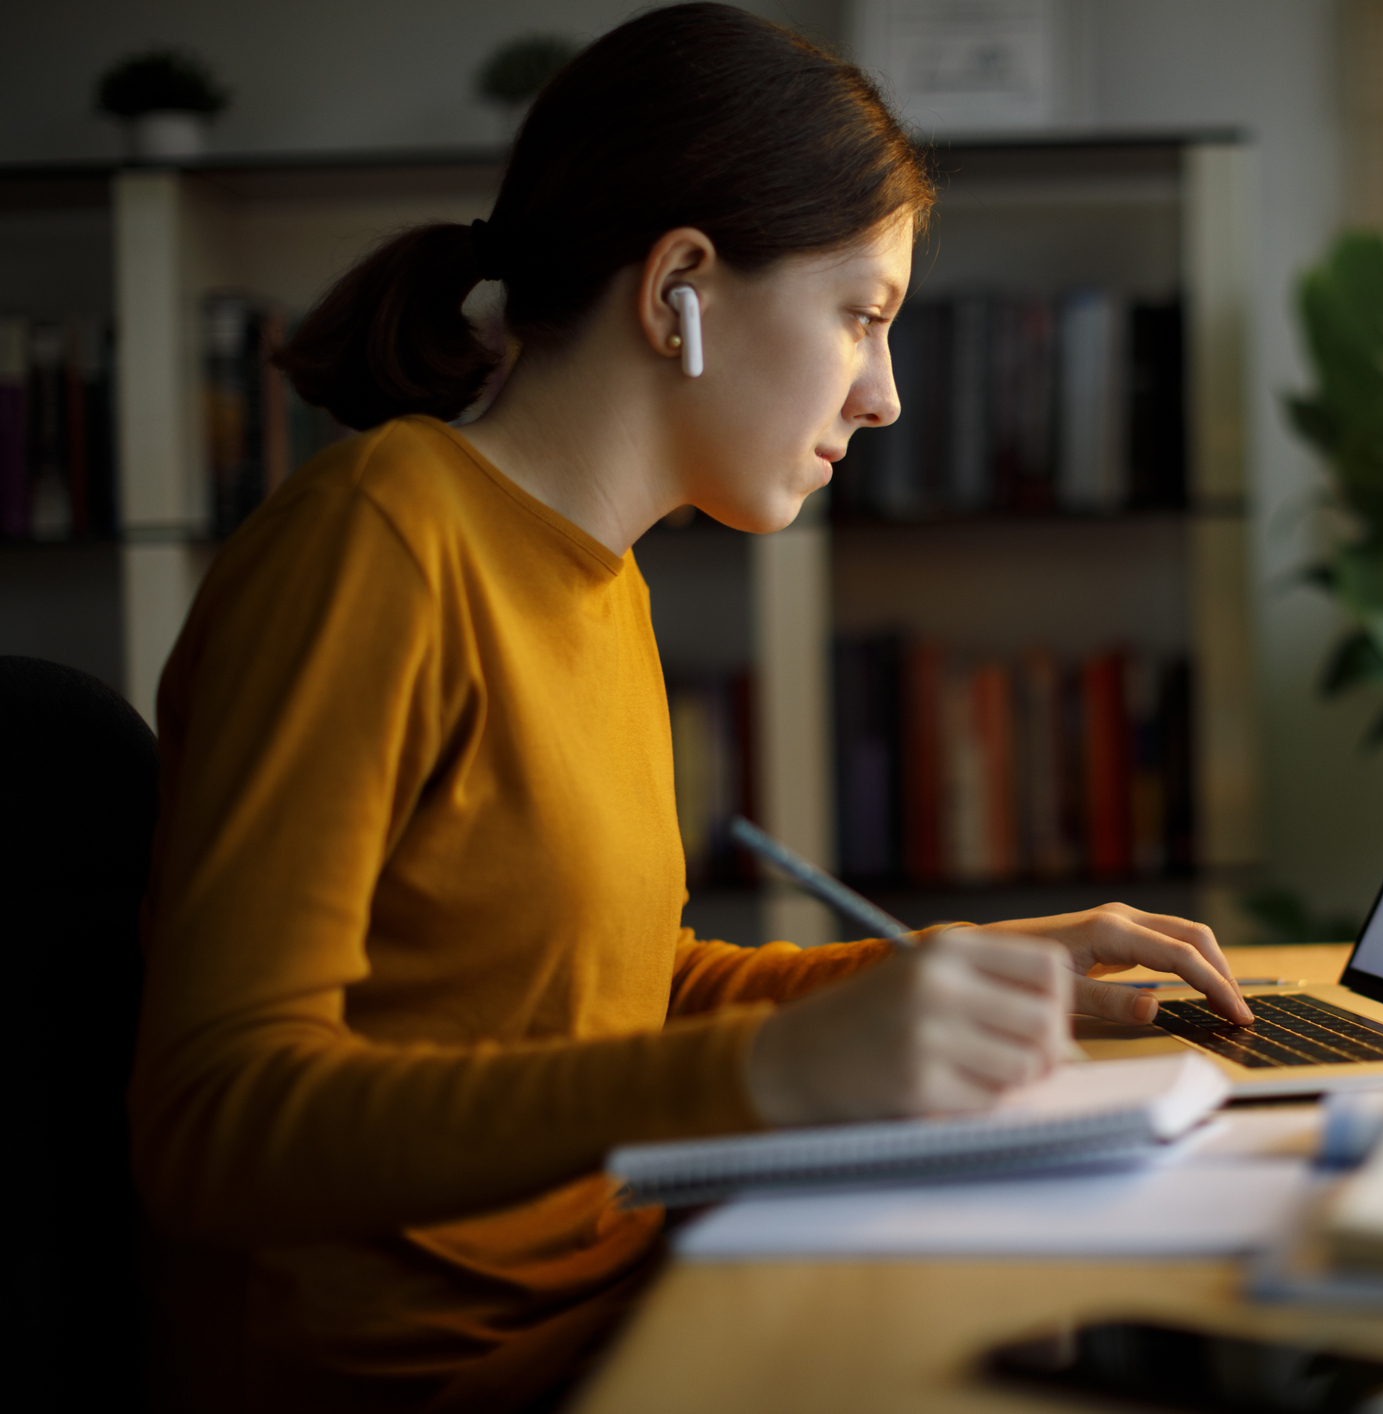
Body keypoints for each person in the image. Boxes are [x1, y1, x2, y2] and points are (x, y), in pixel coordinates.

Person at [129, 7, 1255, 1412]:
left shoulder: (601, 577)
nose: (886, 393)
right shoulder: (378, 543)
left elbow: (615, 995)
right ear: (680, 288)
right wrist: (771, 1073)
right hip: (449, 1378)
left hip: (637, 1294)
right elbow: (214, 1125)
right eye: (864, 315)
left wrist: (974, 970)